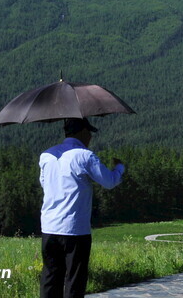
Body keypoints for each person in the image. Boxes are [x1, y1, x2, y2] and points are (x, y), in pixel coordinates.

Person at [39, 117, 125, 298]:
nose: (90, 137)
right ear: (83, 132)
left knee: (50, 276)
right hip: (75, 229)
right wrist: (119, 168)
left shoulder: (46, 156)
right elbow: (109, 182)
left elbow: (44, 184)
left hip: (49, 226)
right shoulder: (85, 155)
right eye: (89, 133)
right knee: (74, 280)